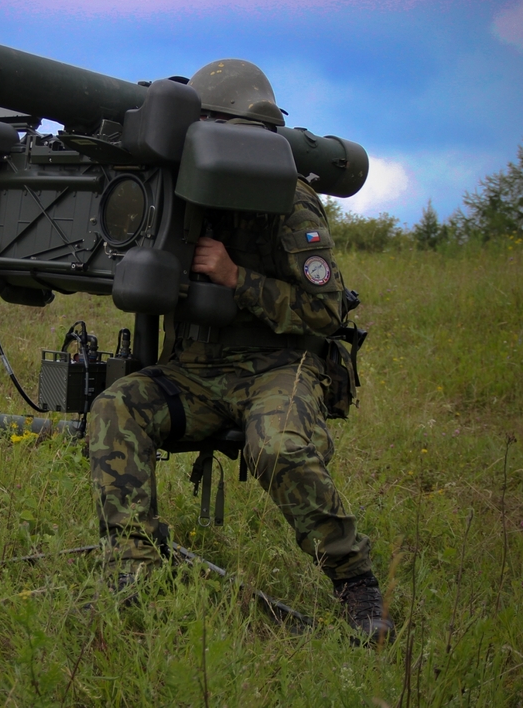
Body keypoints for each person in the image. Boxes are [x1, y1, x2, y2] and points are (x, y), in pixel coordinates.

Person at [88, 61, 394, 643]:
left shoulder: (291, 198)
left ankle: (355, 581)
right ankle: (133, 568)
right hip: (197, 373)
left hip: (278, 368)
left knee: (278, 448)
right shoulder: (171, 189)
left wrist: (237, 278)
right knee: (114, 409)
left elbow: (325, 312)